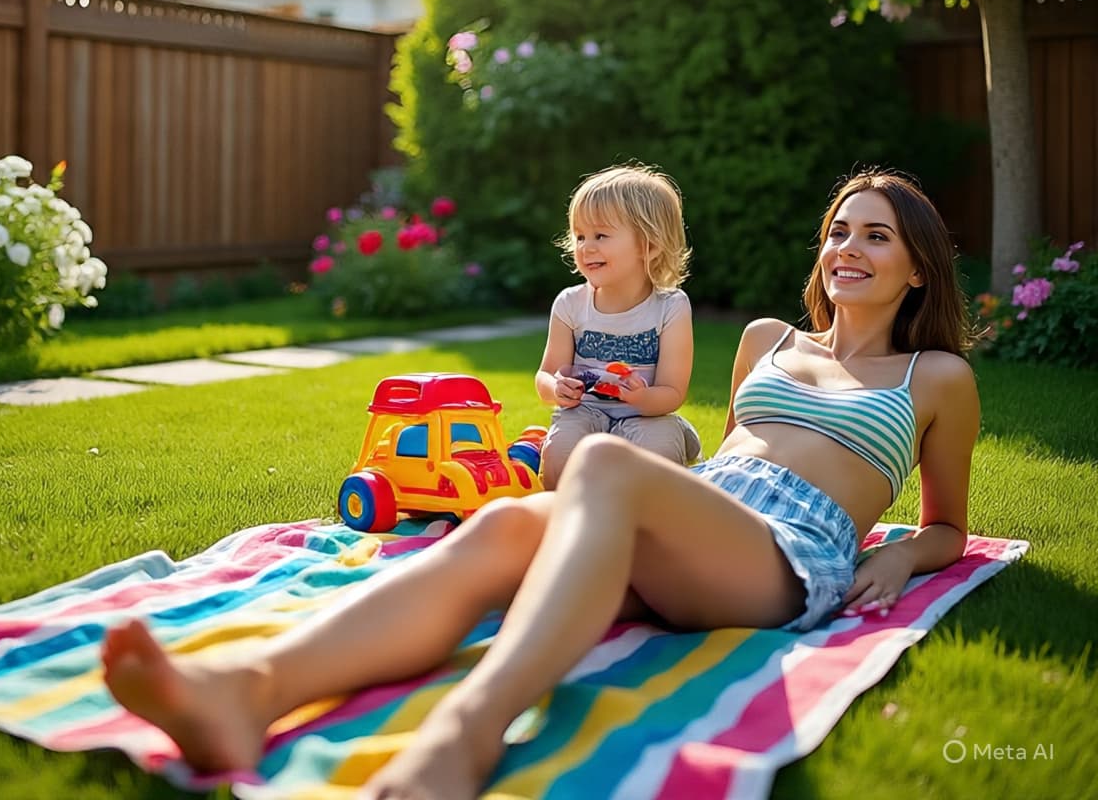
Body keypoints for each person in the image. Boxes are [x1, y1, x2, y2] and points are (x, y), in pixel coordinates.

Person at [101, 169, 981, 800]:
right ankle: (248, 690)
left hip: (789, 558)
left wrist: (902, 558)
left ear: (918, 267)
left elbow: (947, 526)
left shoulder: (935, 375)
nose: (848, 248)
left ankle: (467, 731)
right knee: (504, 528)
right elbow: (716, 471)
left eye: (876, 235)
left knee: (602, 461)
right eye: (838, 229)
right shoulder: (767, 340)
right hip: (712, 518)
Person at [534, 164, 701, 488]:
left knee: (660, 453)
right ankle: (564, 517)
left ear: (649, 245)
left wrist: (641, 397)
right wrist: (557, 389)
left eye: (601, 235)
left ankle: (676, 454)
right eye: (580, 236)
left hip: (645, 414)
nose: (586, 247)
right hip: (585, 413)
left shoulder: (671, 307)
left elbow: (672, 392)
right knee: (559, 454)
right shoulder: (570, 304)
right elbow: (545, 375)